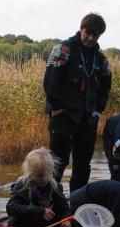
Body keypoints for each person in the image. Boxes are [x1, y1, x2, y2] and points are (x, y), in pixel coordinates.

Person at [44, 12, 112, 192]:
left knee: (83, 165)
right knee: (57, 163)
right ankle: (49, 204)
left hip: (88, 118)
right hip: (63, 116)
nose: (90, 38)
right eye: (87, 32)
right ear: (81, 29)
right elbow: (51, 81)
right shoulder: (63, 50)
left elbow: (106, 85)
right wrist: (56, 108)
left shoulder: (100, 58)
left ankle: (77, 205)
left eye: (95, 35)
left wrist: (99, 109)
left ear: (100, 36)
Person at [5, 148, 72, 227]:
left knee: (71, 225)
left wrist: (65, 219)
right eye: (40, 175)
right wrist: (39, 211)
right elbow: (11, 208)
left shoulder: (54, 186)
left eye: (48, 174)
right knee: (28, 218)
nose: (44, 179)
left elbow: (63, 206)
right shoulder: (23, 185)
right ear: (31, 173)